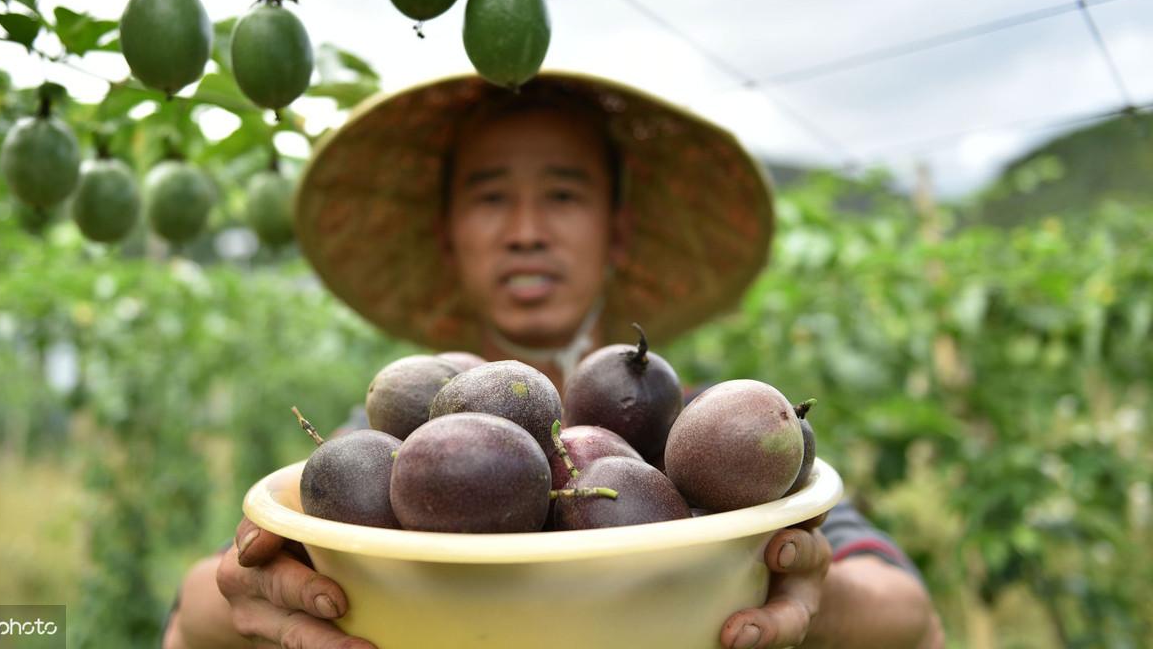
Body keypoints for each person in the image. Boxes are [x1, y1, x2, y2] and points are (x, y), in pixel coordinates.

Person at [162, 73, 944, 649]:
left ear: (619, 230)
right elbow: (198, 608)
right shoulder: (389, 447)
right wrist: (252, 589)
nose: (527, 229)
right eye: (491, 196)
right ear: (449, 236)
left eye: (564, 195)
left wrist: (800, 594)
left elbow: (909, 613)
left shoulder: (695, 429)